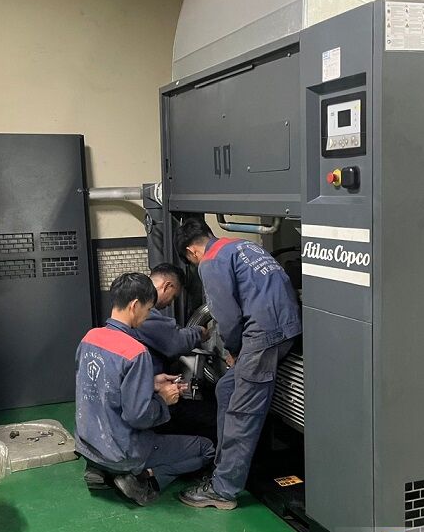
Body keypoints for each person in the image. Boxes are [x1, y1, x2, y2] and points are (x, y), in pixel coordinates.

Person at [174, 219, 301, 510]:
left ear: (192, 251)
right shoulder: (243, 246)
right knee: (227, 389)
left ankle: (223, 490)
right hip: (287, 329)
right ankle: (224, 468)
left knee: (241, 412)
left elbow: (227, 317)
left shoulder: (210, 261)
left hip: (262, 336)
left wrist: (233, 350)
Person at [75, 272, 215, 506]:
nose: (148, 315)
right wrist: (164, 400)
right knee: (206, 449)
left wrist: (150, 382)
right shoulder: (135, 351)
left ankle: (100, 469)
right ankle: (142, 477)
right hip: (123, 451)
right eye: (148, 309)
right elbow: (138, 416)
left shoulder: (90, 338)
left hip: (89, 445)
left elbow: (103, 385)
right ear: (134, 305)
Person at [133, 263, 217, 442]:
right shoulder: (142, 311)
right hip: (149, 400)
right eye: (174, 296)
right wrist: (199, 332)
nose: (171, 302)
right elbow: (175, 342)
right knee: (214, 420)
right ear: (167, 286)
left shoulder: (136, 305)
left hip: (147, 388)